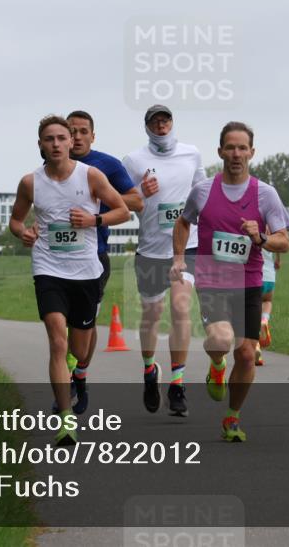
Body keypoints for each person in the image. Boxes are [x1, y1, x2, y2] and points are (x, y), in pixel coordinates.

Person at [9, 115, 129, 446]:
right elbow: (16, 221)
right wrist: (23, 232)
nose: (56, 144)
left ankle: (77, 372)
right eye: (49, 139)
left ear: (70, 142)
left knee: (79, 349)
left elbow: (124, 211)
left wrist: (94, 220)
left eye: (62, 138)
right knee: (57, 342)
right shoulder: (30, 183)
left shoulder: (90, 175)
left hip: (86, 271)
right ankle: (65, 419)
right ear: (40, 145)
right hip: (48, 269)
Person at [170, 121, 289, 442]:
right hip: (212, 279)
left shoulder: (265, 194)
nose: (236, 154)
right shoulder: (203, 191)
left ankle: (232, 417)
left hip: (249, 282)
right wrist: (179, 258)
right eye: (230, 147)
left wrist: (261, 237)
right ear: (220, 151)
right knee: (222, 340)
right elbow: (183, 222)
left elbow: (284, 241)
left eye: (242, 148)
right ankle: (216, 365)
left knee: (248, 354)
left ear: (252, 152)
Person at [122, 104, 206, 417]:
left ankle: (178, 385)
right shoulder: (133, 160)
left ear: (172, 122)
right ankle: (149, 371)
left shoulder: (191, 154)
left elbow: (203, 193)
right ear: (147, 126)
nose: (161, 125)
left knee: (181, 308)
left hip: (186, 247)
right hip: (151, 250)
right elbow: (122, 202)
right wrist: (141, 193)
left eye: (165, 119)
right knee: (152, 315)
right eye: (155, 121)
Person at [66, 110, 144, 371]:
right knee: (60, 319)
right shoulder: (53, 164)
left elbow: (136, 201)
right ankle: (66, 371)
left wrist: (97, 198)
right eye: (72, 132)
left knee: (85, 321)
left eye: (83, 132)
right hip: (58, 254)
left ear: (93, 136)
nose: (77, 137)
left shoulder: (107, 164)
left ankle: (80, 374)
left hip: (94, 253)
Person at [255, 239, 281, 366]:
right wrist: (278, 260)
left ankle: (255, 345)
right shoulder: (270, 231)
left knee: (249, 310)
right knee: (267, 301)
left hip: (254, 275)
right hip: (269, 275)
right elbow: (278, 245)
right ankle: (264, 320)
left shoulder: (250, 230)